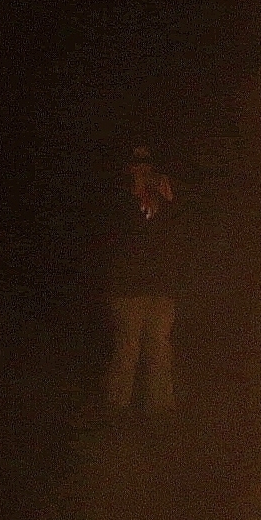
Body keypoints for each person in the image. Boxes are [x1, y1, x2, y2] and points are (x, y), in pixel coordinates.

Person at [104, 145, 187, 416]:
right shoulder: (118, 198)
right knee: (128, 348)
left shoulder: (164, 199)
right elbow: (118, 234)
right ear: (128, 168)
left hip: (160, 288)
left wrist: (168, 200)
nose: (143, 170)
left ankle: (161, 409)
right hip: (129, 288)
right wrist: (133, 195)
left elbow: (175, 232)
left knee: (160, 349)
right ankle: (117, 407)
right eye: (137, 165)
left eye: (147, 165)